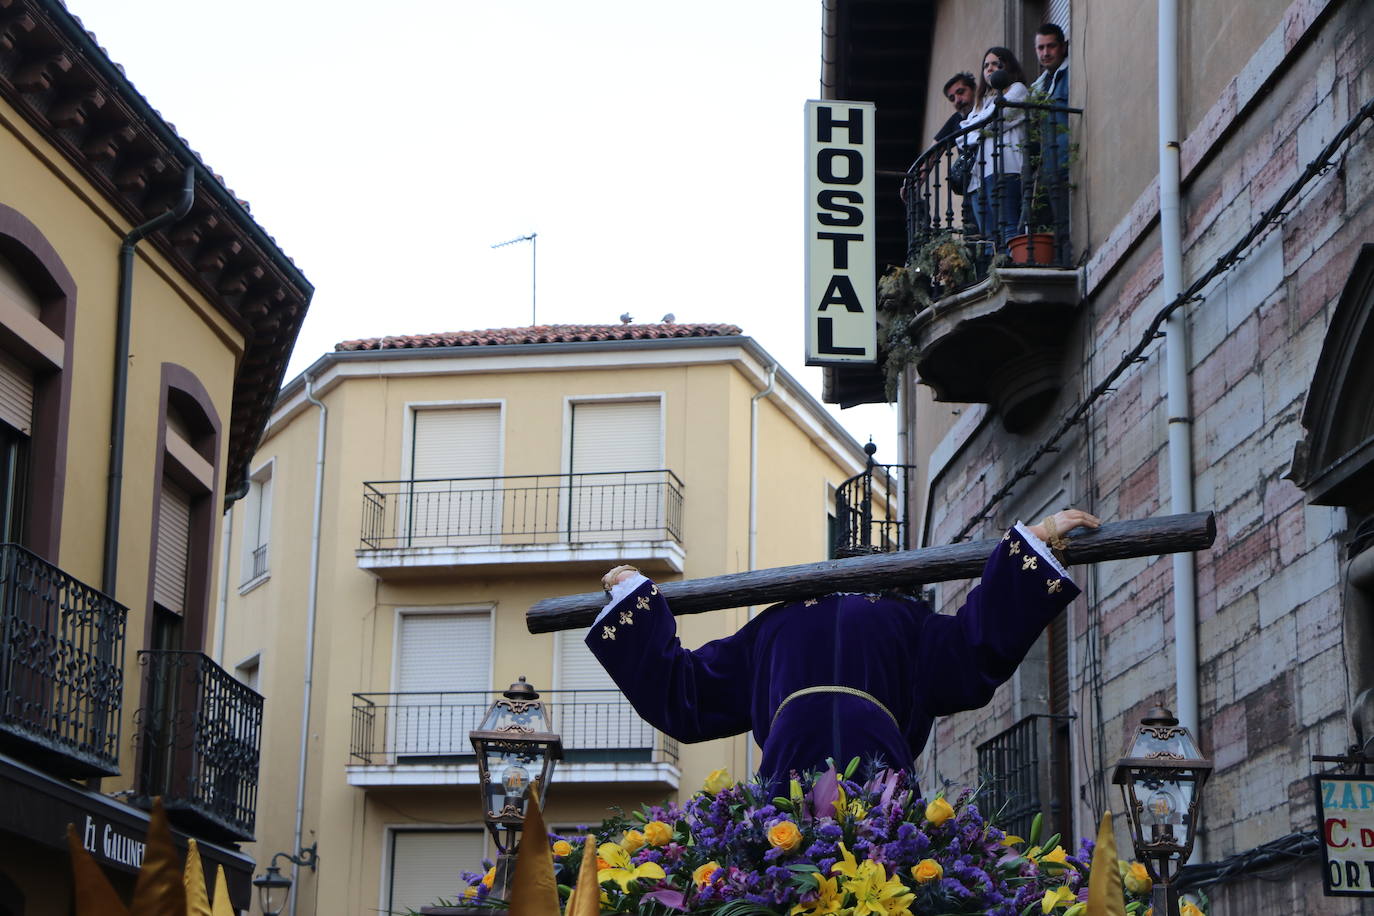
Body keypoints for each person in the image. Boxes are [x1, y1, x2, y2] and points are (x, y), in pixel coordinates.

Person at [586, 509, 1101, 782]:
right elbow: (978, 646)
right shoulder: (907, 620)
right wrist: (1032, 544)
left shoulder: (776, 623)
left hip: (791, 800)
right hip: (878, 797)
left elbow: (687, 695)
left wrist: (634, 600)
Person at [957, 47, 1031, 246]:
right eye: (985, 65)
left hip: (1007, 167)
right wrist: (984, 122)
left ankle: (1011, 270)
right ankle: (997, 273)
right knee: (990, 239)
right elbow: (962, 137)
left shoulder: (1018, 89)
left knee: (1008, 229)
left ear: (1007, 65)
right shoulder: (982, 102)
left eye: (995, 64)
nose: (990, 69)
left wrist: (978, 126)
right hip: (981, 175)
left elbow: (999, 119)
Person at [1030, 23, 1071, 260]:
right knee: (1044, 224)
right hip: (1047, 167)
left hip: (1066, 161)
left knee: (1063, 224)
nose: (1045, 53)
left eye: (1051, 46)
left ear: (1063, 46)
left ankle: (1064, 263)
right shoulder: (1038, 86)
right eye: (1040, 48)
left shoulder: (1072, 72)